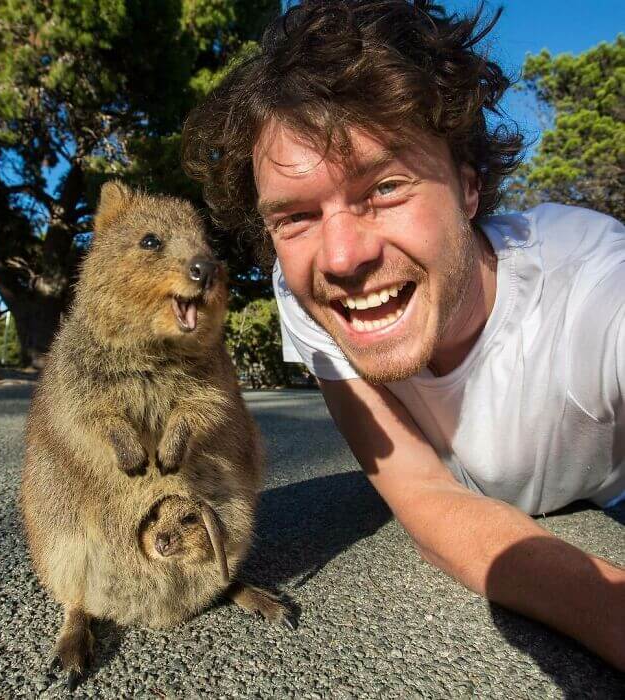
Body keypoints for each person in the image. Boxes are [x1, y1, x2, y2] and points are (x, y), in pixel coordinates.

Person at [182, 0, 624, 669]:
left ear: (468, 188)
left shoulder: (592, 289)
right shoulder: (304, 293)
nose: (339, 256)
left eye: (385, 187)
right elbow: (422, 495)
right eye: (296, 216)